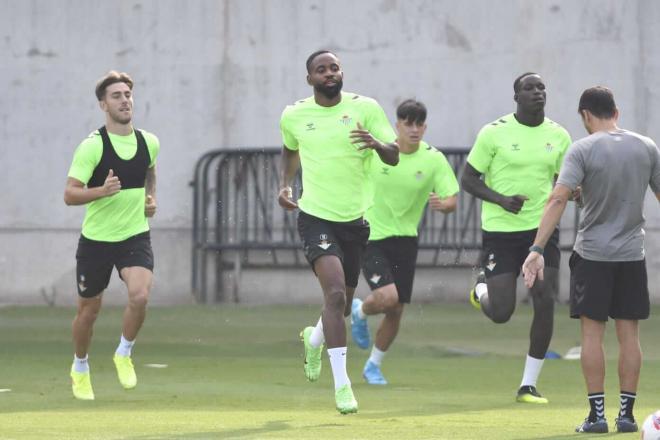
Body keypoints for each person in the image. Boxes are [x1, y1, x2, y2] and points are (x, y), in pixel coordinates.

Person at [523, 86, 659, 434]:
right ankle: (627, 416)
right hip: (632, 255)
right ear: (616, 111)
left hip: (594, 256)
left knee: (592, 336)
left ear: (586, 114)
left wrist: (536, 249)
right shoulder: (646, 147)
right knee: (630, 336)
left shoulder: (582, 149)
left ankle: (597, 417)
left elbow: (557, 199)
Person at [278, 50, 399, 414]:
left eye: (334, 68)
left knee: (342, 305)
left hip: (355, 221)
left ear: (341, 73)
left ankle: (313, 339)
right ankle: (343, 387)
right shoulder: (294, 114)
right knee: (333, 297)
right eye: (321, 69)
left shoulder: (366, 108)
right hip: (315, 216)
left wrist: (376, 144)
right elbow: (289, 151)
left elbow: (393, 154)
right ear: (309, 78)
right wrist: (285, 185)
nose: (329, 73)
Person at [461, 72, 571, 403]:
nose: (537, 92)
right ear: (516, 97)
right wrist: (500, 200)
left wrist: (572, 192)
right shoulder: (493, 133)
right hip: (500, 233)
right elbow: (468, 179)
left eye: (541, 87)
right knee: (502, 313)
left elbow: (562, 181)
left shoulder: (559, 135)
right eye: (529, 88)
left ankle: (528, 384)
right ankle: (481, 290)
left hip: (541, 231)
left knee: (544, 297)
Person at [63, 71, 159, 400]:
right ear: (104, 104)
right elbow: (70, 195)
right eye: (116, 96)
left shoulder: (149, 141)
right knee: (88, 312)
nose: (124, 100)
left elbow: (149, 170)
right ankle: (80, 366)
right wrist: (101, 191)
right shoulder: (92, 146)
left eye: (128, 94)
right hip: (96, 242)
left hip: (134, 236)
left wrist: (151, 197)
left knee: (140, 296)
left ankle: (124, 352)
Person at [350, 99, 459, 384]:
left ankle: (373, 365)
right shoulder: (380, 152)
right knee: (388, 298)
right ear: (397, 124)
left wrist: (443, 205)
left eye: (419, 124)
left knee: (396, 309)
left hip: (406, 240)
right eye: (407, 123)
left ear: (425, 127)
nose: (413, 129)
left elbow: (451, 199)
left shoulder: (433, 159)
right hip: (371, 235)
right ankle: (360, 311)